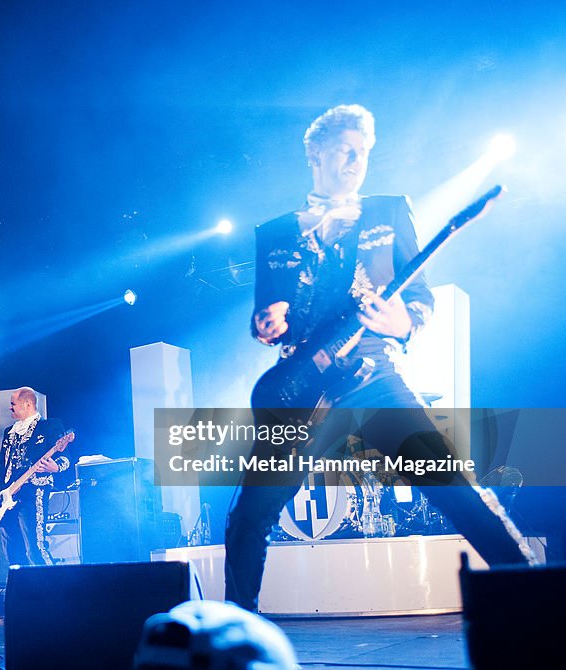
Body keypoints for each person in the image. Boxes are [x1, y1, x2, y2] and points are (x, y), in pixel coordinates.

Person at [224, 104, 536, 611]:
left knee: (454, 486)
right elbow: (264, 312)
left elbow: (422, 300)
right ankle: (235, 631)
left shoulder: (388, 211)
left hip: (373, 376)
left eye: (364, 153)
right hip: (303, 386)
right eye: (347, 149)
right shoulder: (274, 233)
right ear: (315, 151)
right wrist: (267, 322)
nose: (355, 162)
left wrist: (402, 321)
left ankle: (540, 596)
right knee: (248, 516)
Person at [0, 387, 68, 567]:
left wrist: (55, 467)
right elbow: (1, 466)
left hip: (33, 492)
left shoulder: (49, 426)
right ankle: (21, 590)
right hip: (7, 496)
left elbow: (66, 456)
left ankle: (53, 591)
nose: (10, 408)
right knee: (11, 550)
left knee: (36, 547)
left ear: (27, 404)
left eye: (13, 404)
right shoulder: (9, 432)